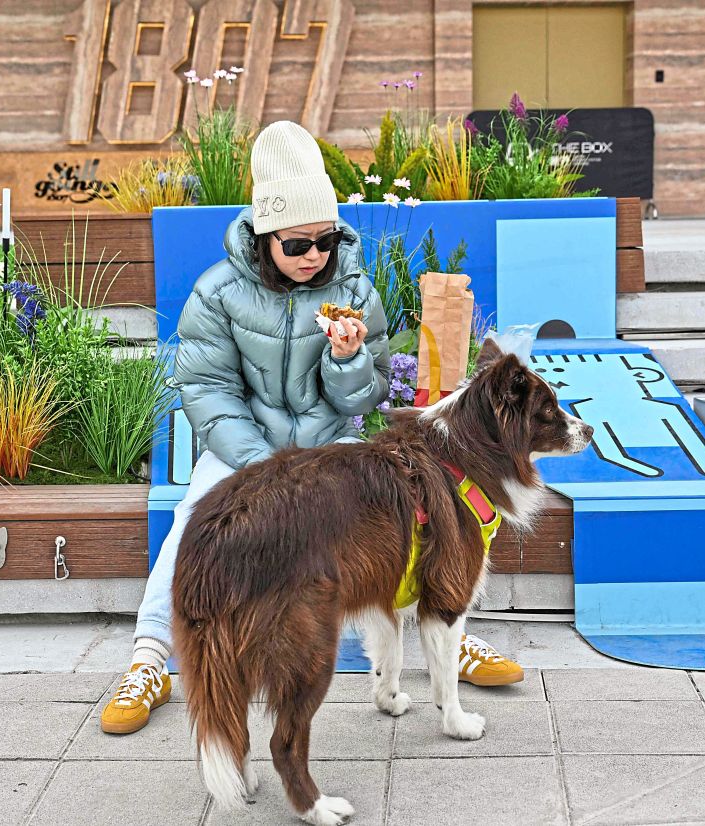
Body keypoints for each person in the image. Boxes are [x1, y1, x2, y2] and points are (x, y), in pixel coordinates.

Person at [102, 121, 525, 735]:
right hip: (242, 446)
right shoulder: (216, 293)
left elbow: (371, 389)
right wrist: (264, 469)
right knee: (196, 517)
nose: (314, 257)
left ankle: (446, 627)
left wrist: (349, 359)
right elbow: (207, 391)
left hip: (330, 444)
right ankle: (149, 659)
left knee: (408, 508)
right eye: (297, 245)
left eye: (325, 241)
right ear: (264, 235)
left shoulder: (352, 286)